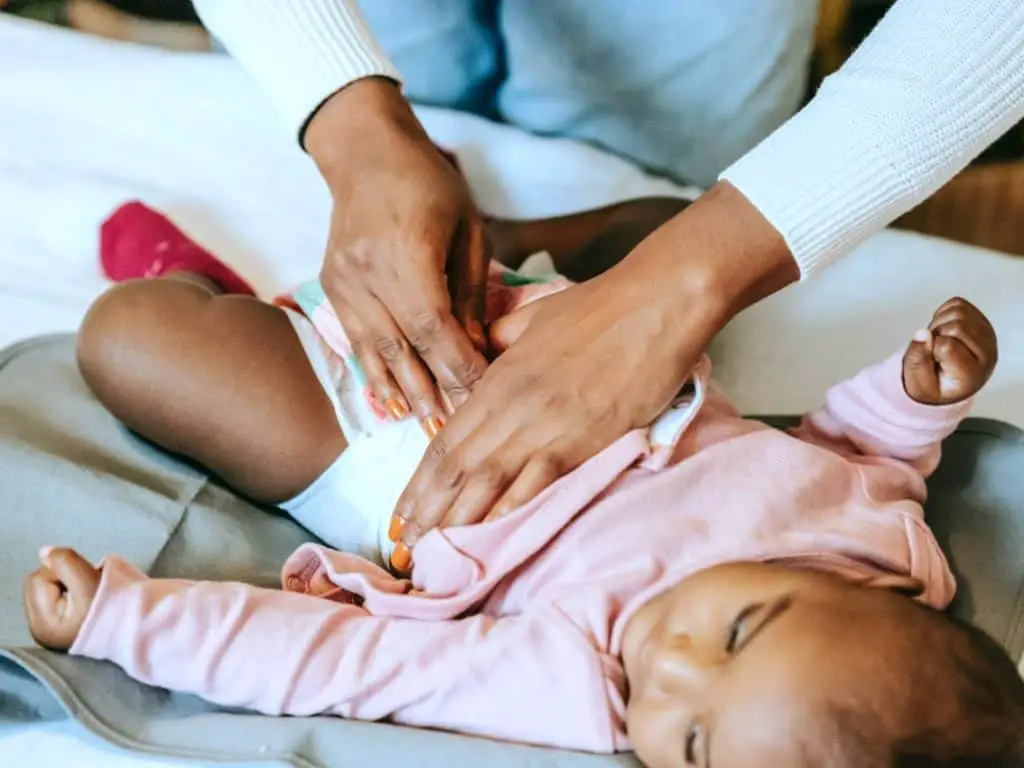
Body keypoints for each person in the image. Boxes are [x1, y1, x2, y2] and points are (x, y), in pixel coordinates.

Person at [24, 204, 1023, 761]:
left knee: (137, 337)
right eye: (737, 630)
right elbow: (856, 457)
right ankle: (492, 234)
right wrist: (915, 399)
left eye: (692, 745)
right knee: (686, 225)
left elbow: (349, 665)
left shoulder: (577, 681)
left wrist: (129, 622)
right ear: (879, 594)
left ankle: (225, 293)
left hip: (398, 440)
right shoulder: (877, 540)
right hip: (596, 339)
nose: (669, 663)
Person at [185, 1, 1024, 564]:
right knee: (461, 102)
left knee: (651, 156)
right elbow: (861, 464)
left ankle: (480, 234)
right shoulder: (854, 560)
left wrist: (680, 287)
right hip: (536, 323)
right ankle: (477, 226)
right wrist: (354, 125)